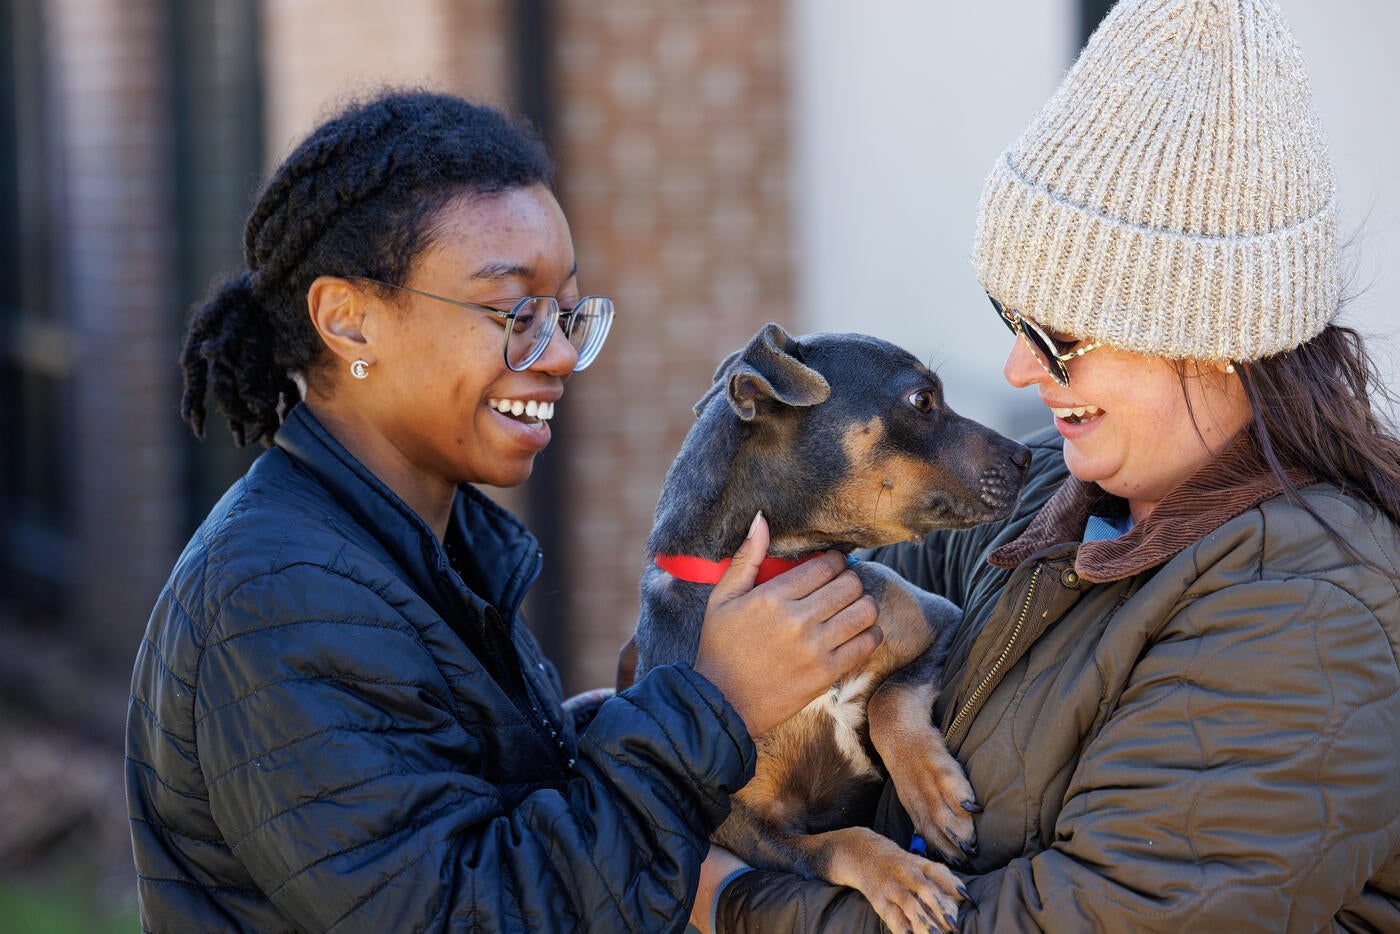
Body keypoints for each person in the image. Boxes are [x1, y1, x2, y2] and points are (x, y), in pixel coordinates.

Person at [692, 1, 1400, 930]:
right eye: (1010, 321)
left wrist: (729, 900)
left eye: (1059, 338)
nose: (1022, 371)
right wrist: (679, 693)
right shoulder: (1049, 498)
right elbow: (810, 618)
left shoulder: (1307, 609)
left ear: (1215, 337)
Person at [125, 89, 884, 933]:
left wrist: (600, 734)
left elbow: (466, 823)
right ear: (349, 321)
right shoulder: (279, 594)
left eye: (565, 312)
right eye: (514, 311)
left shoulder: (423, 548)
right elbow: (471, 915)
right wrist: (711, 703)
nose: (558, 354)